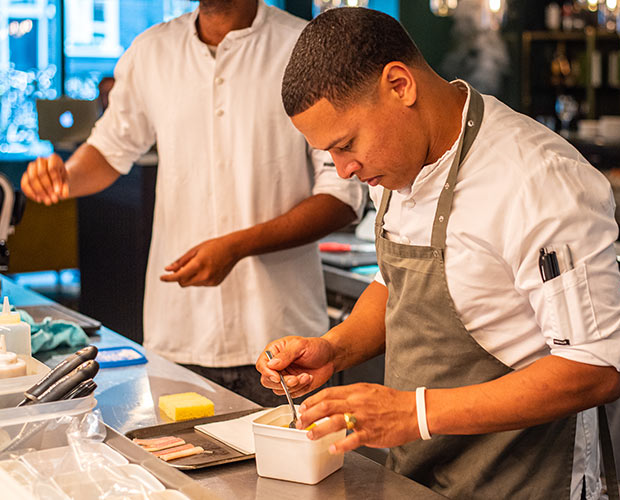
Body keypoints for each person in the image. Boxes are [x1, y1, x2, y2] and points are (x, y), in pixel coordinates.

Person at [256, 7, 620, 500]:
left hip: (526, 483)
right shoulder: (393, 164)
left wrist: (412, 414)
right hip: (420, 477)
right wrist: (335, 347)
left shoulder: (537, 179)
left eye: (347, 144)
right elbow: (395, 284)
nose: (344, 169)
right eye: (329, 154)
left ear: (400, 85)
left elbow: (599, 369)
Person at [21, 0, 365, 406]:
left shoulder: (302, 46)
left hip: (284, 342)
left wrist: (238, 246)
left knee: (296, 469)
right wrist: (64, 176)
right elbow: (110, 149)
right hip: (179, 335)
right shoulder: (152, 51)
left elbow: (342, 195)